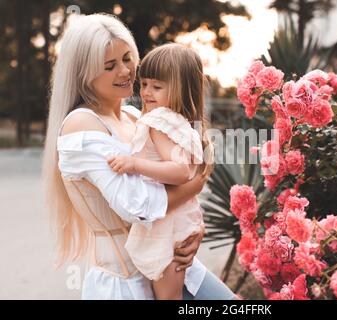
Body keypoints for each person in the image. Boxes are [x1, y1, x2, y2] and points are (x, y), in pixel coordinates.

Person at [42, 13, 236, 300]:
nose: (125, 71)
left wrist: (193, 228)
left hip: (173, 263)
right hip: (127, 283)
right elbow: (136, 206)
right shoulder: (80, 125)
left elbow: (175, 176)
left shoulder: (136, 116)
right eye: (110, 66)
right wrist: (195, 182)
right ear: (84, 74)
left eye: (127, 58)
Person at [107, 43, 214, 300]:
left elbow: (179, 172)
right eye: (144, 84)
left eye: (157, 86)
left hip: (168, 226)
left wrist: (134, 164)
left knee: (169, 297)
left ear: (181, 89)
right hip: (178, 219)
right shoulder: (179, 122)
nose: (146, 93)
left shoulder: (159, 121)